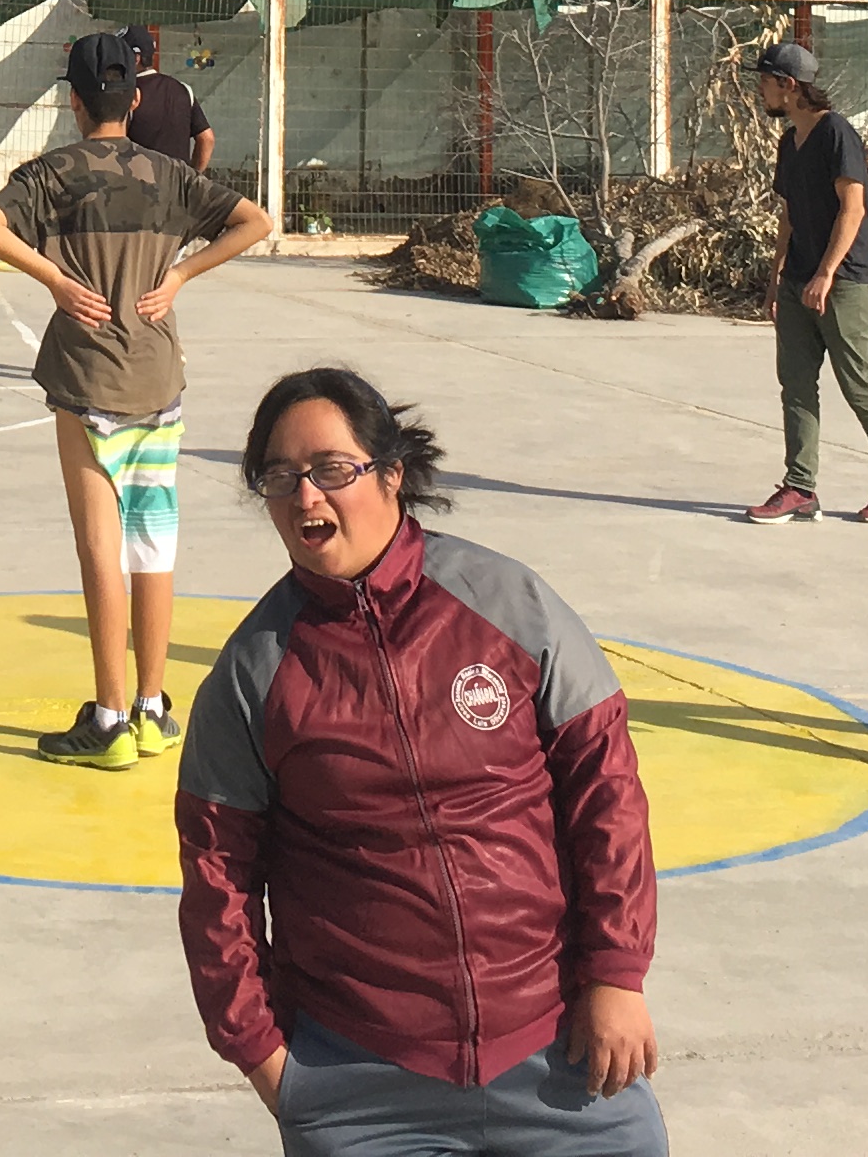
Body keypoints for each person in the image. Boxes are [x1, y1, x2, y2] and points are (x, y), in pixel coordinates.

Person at [176, 367, 662, 1156]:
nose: (306, 497)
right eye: (280, 477)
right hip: (358, 1079)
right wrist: (265, 1058)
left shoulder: (509, 604)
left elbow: (606, 793)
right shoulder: (253, 672)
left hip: (560, 1047)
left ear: (392, 473)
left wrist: (615, 973)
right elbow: (216, 878)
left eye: (332, 469)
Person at [0, 29, 273, 766]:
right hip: (158, 374)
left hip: (87, 378)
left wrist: (56, 280)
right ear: (134, 100)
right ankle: (151, 707)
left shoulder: (53, 172)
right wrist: (179, 276)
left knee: (100, 546)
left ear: (74, 103)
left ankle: (107, 719)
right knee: (154, 542)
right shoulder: (168, 173)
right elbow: (256, 222)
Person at [742, 39, 868, 525]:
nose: (760, 90)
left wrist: (825, 272)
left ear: (788, 85)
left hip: (843, 282)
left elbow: (852, 209)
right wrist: (777, 278)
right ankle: (800, 488)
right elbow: (789, 216)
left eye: (765, 81)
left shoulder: (837, 133)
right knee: (796, 386)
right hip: (798, 280)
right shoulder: (788, 143)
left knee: (857, 382)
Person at [128, 21, 219, 171]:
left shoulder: (126, 93)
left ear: (136, 58)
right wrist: (194, 176)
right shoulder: (183, 90)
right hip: (178, 182)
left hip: (139, 181)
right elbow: (207, 139)